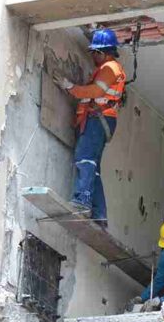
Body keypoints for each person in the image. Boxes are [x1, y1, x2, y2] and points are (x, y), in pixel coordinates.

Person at [53, 28, 126, 225]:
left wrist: (70, 87)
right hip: (99, 119)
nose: (92, 56)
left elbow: (94, 91)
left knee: (85, 159)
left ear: (103, 52)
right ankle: (99, 214)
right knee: (93, 168)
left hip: (98, 119)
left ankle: (82, 200)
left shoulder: (110, 68)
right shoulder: (106, 69)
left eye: (94, 52)